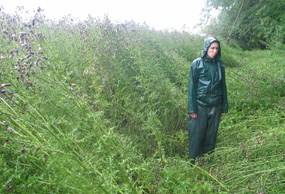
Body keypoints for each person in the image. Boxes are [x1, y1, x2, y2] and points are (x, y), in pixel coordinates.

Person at [188, 37, 228, 164]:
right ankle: (192, 162)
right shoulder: (196, 64)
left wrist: (224, 106)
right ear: (206, 48)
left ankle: (208, 161)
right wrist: (192, 108)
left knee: (211, 136)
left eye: (217, 48)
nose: (215, 51)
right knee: (196, 135)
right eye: (212, 48)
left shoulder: (220, 65)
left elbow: (223, 87)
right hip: (200, 106)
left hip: (216, 106)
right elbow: (192, 87)